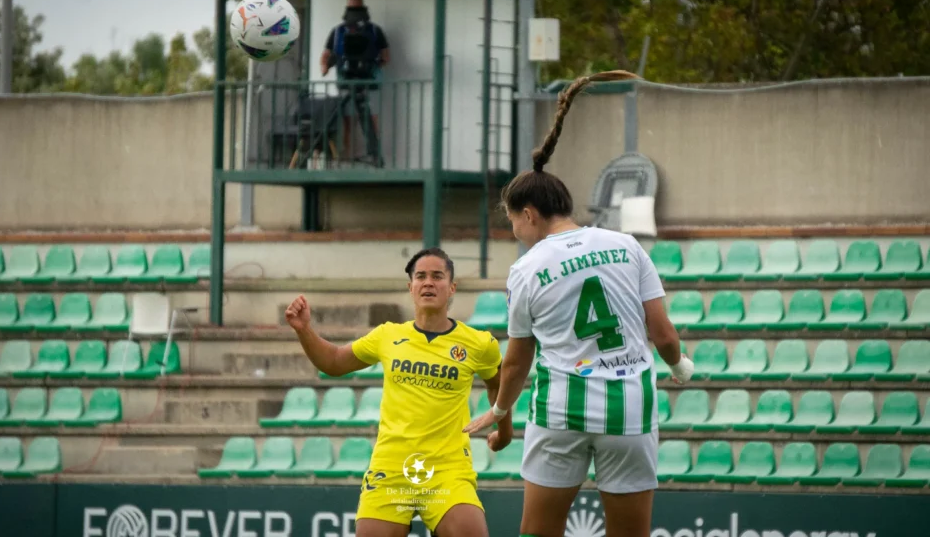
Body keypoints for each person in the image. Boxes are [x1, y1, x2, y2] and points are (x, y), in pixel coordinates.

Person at [463, 71, 695, 537]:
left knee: (539, 531)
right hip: (629, 407)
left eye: (512, 223)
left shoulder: (526, 270)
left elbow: (515, 363)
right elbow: (664, 335)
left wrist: (502, 412)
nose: (514, 233)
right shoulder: (626, 245)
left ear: (528, 214)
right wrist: (679, 367)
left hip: (561, 410)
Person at [285, 247, 511, 537]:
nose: (428, 282)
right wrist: (304, 330)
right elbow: (333, 362)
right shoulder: (388, 335)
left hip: (447, 470)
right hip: (390, 470)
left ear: (452, 287)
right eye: (421, 276)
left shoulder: (479, 344)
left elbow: (497, 384)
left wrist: (504, 432)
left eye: (437, 276)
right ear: (410, 287)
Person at [319, 0, 390, 161]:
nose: (354, 13)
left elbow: (386, 56)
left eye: (357, 9)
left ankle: (374, 155)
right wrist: (325, 67)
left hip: (370, 82)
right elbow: (326, 55)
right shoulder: (337, 32)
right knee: (347, 121)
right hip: (345, 81)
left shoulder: (374, 30)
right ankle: (348, 156)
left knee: (371, 119)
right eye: (351, 9)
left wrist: (372, 66)